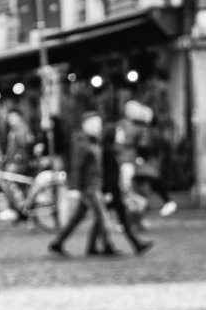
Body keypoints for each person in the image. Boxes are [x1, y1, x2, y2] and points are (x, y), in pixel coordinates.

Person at [48, 111, 121, 258]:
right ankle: (108, 245)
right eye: (95, 124)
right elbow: (77, 166)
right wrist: (74, 188)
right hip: (89, 186)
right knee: (102, 215)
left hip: (93, 184)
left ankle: (58, 242)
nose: (98, 127)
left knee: (78, 217)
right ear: (86, 125)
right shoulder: (82, 142)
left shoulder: (92, 141)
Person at [87, 123, 152, 257]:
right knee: (115, 219)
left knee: (103, 219)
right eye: (119, 132)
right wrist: (109, 191)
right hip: (112, 192)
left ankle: (95, 246)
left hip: (113, 191)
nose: (122, 136)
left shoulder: (111, 150)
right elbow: (108, 174)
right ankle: (135, 244)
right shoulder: (107, 151)